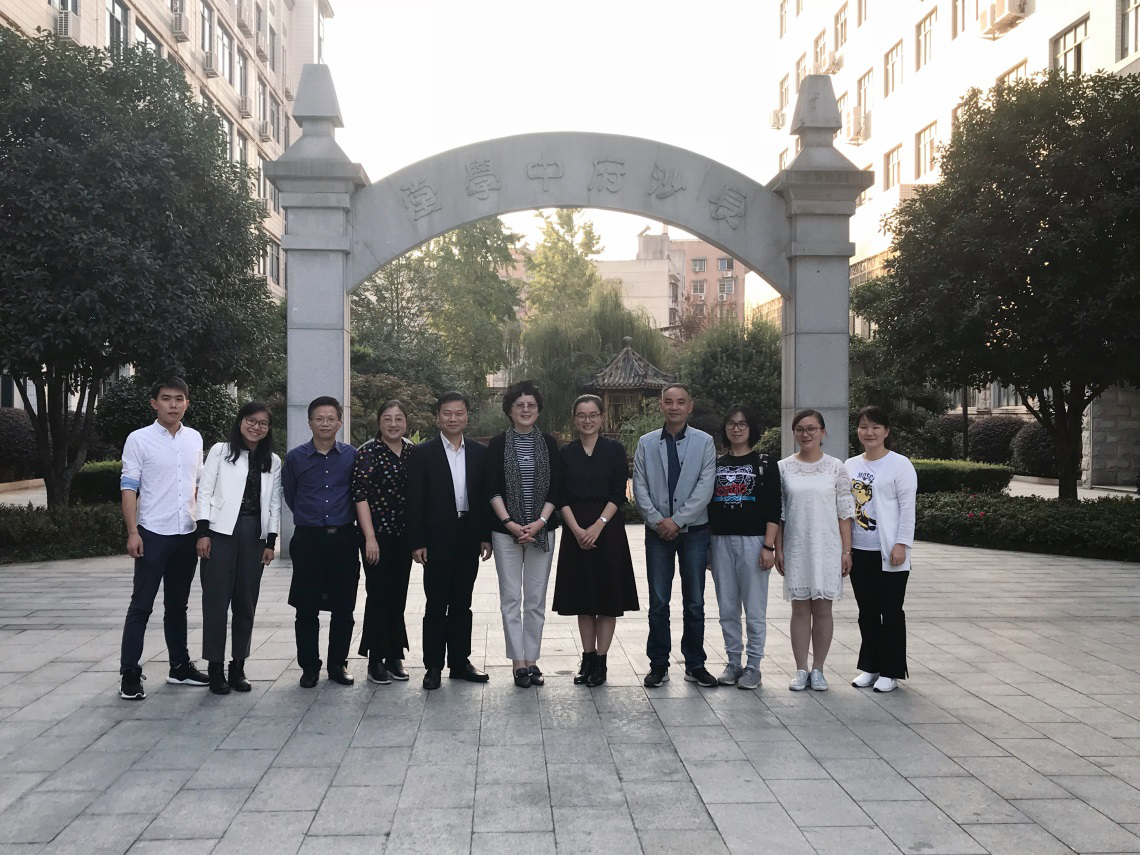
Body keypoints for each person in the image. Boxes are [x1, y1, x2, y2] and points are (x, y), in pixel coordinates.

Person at [118, 378, 208, 700]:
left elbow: (199, 486)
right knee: (141, 606)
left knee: (178, 606)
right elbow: (129, 487)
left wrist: (203, 530)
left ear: (187, 403)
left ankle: (179, 667)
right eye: (166, 398)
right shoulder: (139, 439)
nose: (173, 404)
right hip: (152, 533)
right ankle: (130, 673)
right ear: (154, 403)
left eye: (179, 399)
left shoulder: (194, 438)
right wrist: (133, 532)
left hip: (186, 533)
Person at [632, 383, 718, 689]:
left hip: (694, 532)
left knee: (694, 601)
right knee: (658, 601)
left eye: (681, 402)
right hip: (657, 533)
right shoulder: (646, 443)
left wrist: (678, 521)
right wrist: (658, 521)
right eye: (668, 401)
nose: (674, 407)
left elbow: (705, 487)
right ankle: (658, 663)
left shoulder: (705, 442)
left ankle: (695, 663)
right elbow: (639, 486)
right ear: (661, 405)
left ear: (690, 406)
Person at [407, 392, 493, 690]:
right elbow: (414, 501)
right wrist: (417, 541)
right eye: (447, 413)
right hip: (436, 537)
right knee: (436, 604)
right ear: (438, 417)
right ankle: (433, 666)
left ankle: (459, 662)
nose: (453, 418)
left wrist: (485, 536)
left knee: (462, 603)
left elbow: (484, 497)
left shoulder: (479, 453)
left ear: (467, 416)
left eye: (459, 413)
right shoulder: (422, 453)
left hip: (468, 534)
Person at [195, 402, 282, 695]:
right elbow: (204, 491)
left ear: (269, 429)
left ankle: (238, 666)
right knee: (216, 603)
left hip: (253, 534)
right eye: (251, 421)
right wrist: (203, 533)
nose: (256, 427)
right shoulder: (220, 451)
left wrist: (270, 541)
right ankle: (215, 668)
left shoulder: (272, 460)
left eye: (263, 423)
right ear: (240, 421)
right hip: (220, 532)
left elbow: (273, 503)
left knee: (246, 603)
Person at [552, 394, 638, 688]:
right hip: (575, 530)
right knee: (583, 599)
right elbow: (560, 495)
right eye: (581, 415)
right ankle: (587, 658)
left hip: (608, 531)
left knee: (607, 598)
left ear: (602, 418)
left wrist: (598, 525)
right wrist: (577, 530)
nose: (587, 420)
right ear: (574, 419)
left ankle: (601, 661)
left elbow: (618, 493)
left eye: (592, 415)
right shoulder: (566, 453)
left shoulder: (614, 450)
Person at [486, 380, 564, 689]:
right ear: (509, 410)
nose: (526, 409)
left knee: (535, 600)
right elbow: (491, 488)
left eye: (531, 405)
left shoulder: (549, 443)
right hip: (506, 532)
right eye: (520, 405)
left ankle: (532, 660)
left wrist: (540, 522)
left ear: (538, 410)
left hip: (542, 531)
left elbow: (557, 487)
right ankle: (517, 662)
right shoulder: (497, 444)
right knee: (511, 598)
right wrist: (510, 523)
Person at [283, 396, 360, 689]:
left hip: (343, 538)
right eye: (319, 418)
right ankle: (309, 667)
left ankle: (338, 664)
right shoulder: (295, 458)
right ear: (310, 423)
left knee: (344, 607)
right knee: (306, 608)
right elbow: (291, 495)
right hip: (308, 540)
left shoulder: (352, 456)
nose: (325, 423)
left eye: (330, 418)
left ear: (339, 422)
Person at [775, 409, 855, 692]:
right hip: (796, 546)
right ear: (793, 433)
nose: (805, 434)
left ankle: (818, 669)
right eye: (800, 429)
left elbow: (844, 512)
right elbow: (779, 513)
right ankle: (800, 669)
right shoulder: (783, 468)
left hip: (827, 547)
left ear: (822, 432)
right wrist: (778, 548)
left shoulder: (836, 467)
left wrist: (846, 551)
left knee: (823, 608)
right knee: (799, 609)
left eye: (811, 429)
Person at [708, 405, 781, 691]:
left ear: (751, 428)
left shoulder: (765, 464)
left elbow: (774, 508)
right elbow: (708, 506)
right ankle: (733, 662)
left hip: (754, 542)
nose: (736, 429)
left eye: (742, 424)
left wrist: (768, 546)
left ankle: (754, 666)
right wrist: (709, 546)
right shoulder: (715, 464)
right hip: (720, 541)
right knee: (727, 607)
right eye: (731, 423)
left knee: (754, 608)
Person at [845, 405, 918, 694]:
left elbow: (908, 509)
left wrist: (902, 544)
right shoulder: (850, 465)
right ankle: (871, 666)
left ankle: (891, 671)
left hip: (889, 552)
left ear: (886, 431)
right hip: (859, 550)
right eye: (864, 426)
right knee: (867, 612)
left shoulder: (900, 465)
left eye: (876, 427)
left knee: (891, 611)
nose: (869, 432)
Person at [352, 400, 415, 685]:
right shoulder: (368, 452)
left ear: (406, 422)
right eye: (387, 418)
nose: (393, 424)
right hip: (376, 537)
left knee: (398, 595)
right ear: (379, 422)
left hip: (403, 537)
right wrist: (370, 538)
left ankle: (394, 655)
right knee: (378, 594)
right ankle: (375, 658)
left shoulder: (412, 451)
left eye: (398, 418)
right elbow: (360, 495)